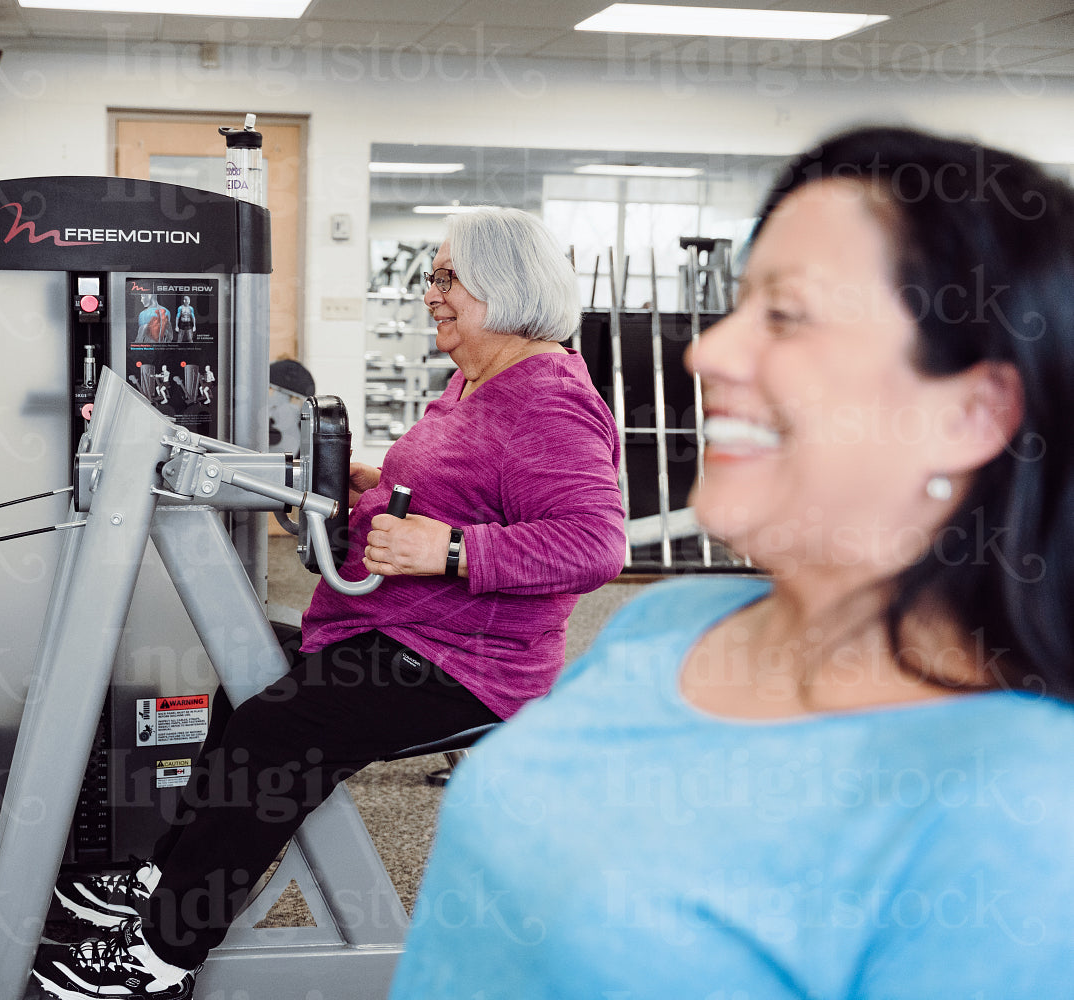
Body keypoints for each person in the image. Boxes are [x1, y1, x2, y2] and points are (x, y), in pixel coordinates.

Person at [390, 126, 1074, 999]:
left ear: (973, 411)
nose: (706, 352)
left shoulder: (1021, 817)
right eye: (739, 305)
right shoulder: (665, 624)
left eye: (786, 314)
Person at [32, 207, 628, 999]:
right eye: (432, 276)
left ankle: (162, 956)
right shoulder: (477, 377)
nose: (431, 294)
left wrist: (448, 550)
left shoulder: (546, 399)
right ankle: (162, 880)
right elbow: (476, 485)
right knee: (249, 667)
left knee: (279, 728)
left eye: (448, 277)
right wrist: (377, 484)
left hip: (469, 662)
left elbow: (595, 544)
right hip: (396, 626)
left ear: (506, 286)